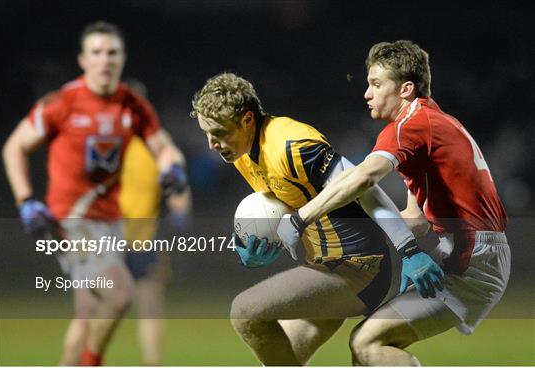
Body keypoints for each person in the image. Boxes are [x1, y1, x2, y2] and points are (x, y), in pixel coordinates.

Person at [277, 40, 510, 365]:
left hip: (471, 256)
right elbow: (415, 219)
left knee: (368, 342)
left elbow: (363, 177)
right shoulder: (431, 121)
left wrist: (300, 218)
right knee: (366, 346)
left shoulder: (409, 126)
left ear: (405, 89)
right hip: (471, 251)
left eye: (375, 84)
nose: (367, 94)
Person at [190, 72, 443, 365]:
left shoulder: (291, 143)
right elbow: (285, 203)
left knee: (245, 312)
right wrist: (255, 242)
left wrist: (409, 250)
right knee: (282, 357)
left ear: (247, 119)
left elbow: (363, 184)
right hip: (325, 266)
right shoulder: (243, 151)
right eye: (207, 133)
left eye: (219, 132)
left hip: (359, 267)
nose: (212, 143)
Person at [2, 21, 189, 366]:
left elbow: (165, 148)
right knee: (119, 293)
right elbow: (14, 147)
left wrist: (172, 168)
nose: (105, 60)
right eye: (97, 53)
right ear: (83, 60)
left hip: (110, 222)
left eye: (112, 53)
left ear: (123, 59)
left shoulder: (132, 106)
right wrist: (25, 200)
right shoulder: (62, 103)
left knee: (87, 315)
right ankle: (92, 362)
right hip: (70, 221)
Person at [120, 78, 191, 366]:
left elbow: (177, 178)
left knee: (150, 310)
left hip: (143, 240)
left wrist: (179, 208)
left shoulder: (157, 143)